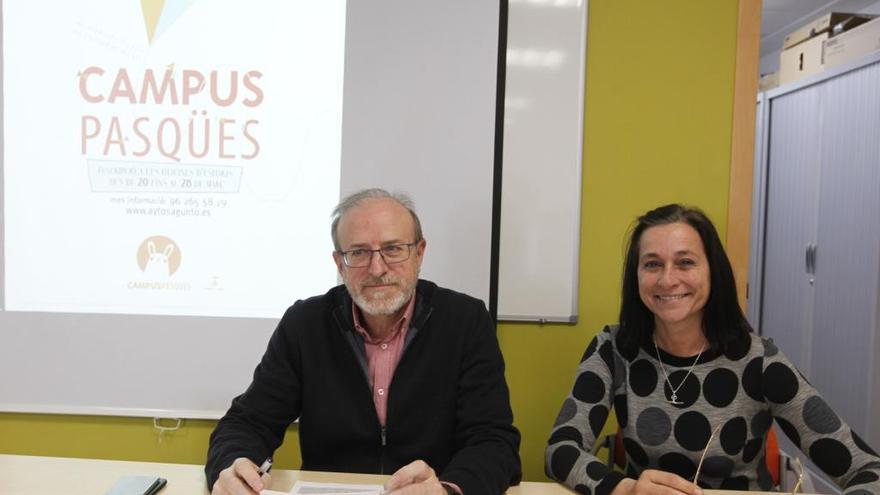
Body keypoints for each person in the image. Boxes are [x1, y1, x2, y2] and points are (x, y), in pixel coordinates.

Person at [545, 204, 880, 495]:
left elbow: (870, 472)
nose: (667, 279)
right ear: (636, 277)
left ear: (712, 271)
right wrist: (624, 487)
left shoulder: (759, 361)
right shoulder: (612, 350)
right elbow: (560, 448)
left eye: (685, 262)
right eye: (651, 264)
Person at [206, 188, 521, 495]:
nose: (377, 268)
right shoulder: (305, 323)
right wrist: (232, 465)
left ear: (419, 252)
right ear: (339, 263)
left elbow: (493, 442)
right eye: (358, 252)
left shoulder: (465, 320)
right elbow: (249, 422)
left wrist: (448, 490)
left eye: (393, 248)